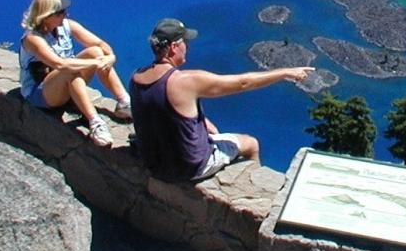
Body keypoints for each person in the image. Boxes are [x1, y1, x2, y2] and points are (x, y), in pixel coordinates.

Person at [130, 17, 312, 181]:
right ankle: (253, 189)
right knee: (251, 143)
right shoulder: (184, 81)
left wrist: (204, 123)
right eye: (185, 42)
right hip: (188, 168)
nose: (188, 46)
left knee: (212, 130)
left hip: (153, 165)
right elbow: (243, 83)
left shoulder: (136, 77)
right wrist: (286, 73)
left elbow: (163, 110)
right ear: (173, 47)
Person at [19, 0, 131, 147]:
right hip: (42, 92)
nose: (66, 15)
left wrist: (110, 56)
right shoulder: (32, 39)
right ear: (46, 17)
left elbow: (100, 44)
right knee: (69, 70)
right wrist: (96, 63)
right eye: (60, 13)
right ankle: (95, 122)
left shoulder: (67, 25)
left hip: (66, 81)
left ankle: (124, 102)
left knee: (95, 51)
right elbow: (59, 64)